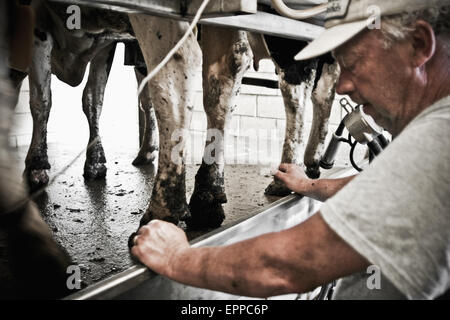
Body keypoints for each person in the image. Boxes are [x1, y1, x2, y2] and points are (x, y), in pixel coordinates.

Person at [130, 0, 450, 299]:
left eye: (353, 64)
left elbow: (293, 264)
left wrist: (179, 259)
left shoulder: (439, 137)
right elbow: (389, 191)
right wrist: (311, 186)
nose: (342, 85)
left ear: (418, 45)